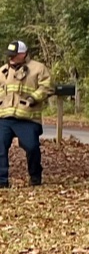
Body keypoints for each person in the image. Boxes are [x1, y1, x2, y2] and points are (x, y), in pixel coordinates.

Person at [0, 41, 52, 188]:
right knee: (0, 147)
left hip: (27, 117)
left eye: (14, 56)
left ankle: (35, 177)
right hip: (4, 117)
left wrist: (34, 97)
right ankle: (2, 181)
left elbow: (47, 87)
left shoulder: (38, 68)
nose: (10, 59)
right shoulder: (3, 71)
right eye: (9, 56)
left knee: (32, 147)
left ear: (23, 54)